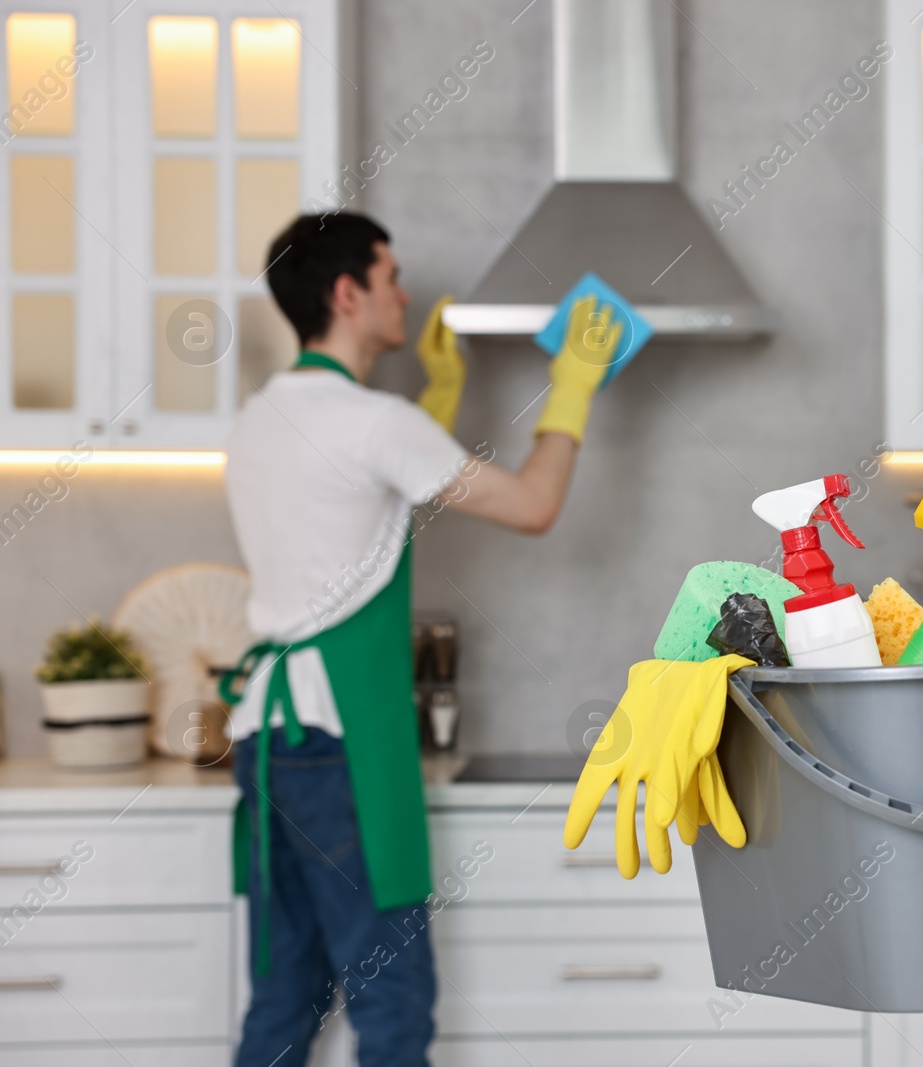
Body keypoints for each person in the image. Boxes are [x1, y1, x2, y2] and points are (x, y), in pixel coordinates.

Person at [218, 212, 622, 1067]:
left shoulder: (262, 418)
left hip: (268, 739)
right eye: (391, 275)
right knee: (392, 1001)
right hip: (343, 745)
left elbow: (362, 515)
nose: (407, 293)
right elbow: (533, 505)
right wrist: (575, 386)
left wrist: (436, 399)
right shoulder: (372, 422)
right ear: (347, 292)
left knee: (285, 998)